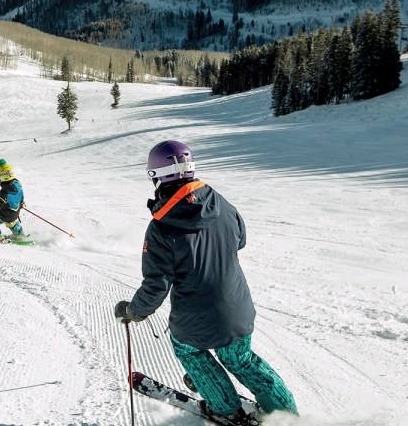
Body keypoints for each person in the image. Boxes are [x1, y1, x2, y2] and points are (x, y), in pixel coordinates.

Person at [113, 140, 297, 422]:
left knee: (189, 349)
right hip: (238, 307)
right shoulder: (221, 203)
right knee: (240, 357)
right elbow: (240, 241)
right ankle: (285, 413)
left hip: (195, 317)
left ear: (156, 176)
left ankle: (224, 408)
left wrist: (133, 311)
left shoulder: (161, 227)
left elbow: (156, 286)